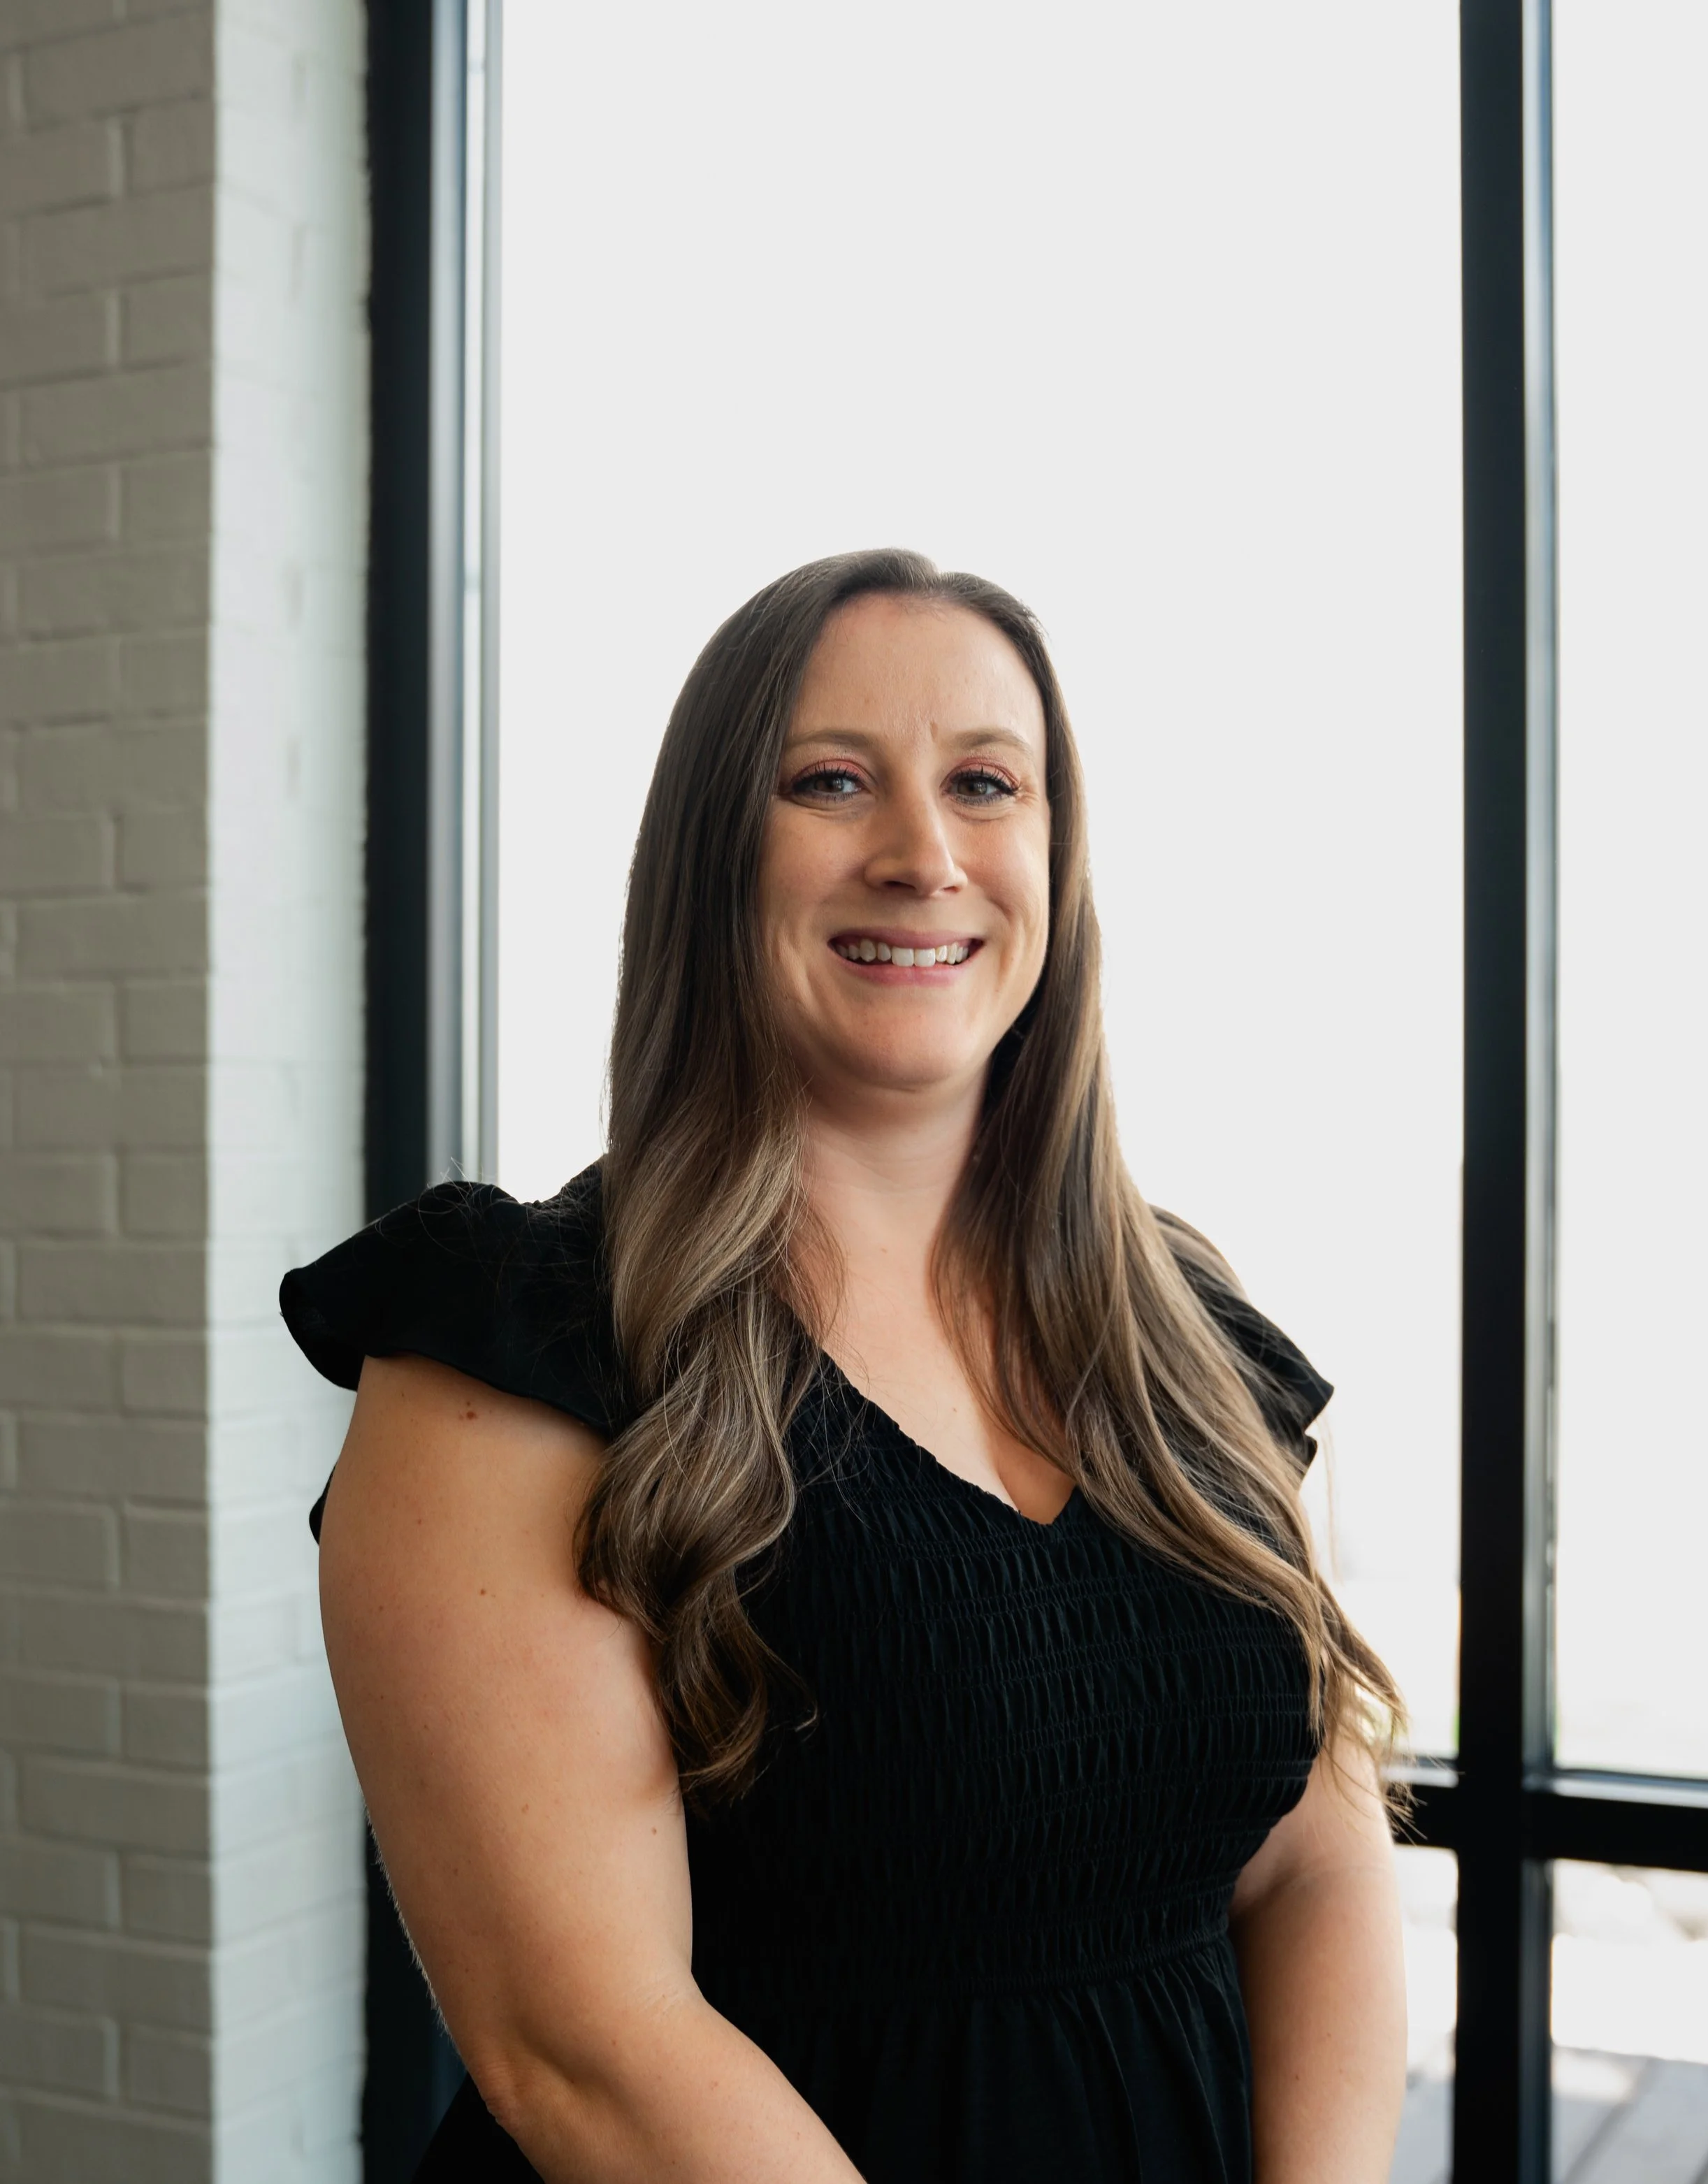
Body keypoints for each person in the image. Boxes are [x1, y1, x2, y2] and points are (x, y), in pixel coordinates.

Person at [283, 549, 1407, 2183]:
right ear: (712, 857)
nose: (922, 852)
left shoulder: (1184, 1331)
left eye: (982, 782)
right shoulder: (518, 1347)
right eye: (830, 781)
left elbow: (1311, 1859)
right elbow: (587, 2052)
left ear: (1053, 856)